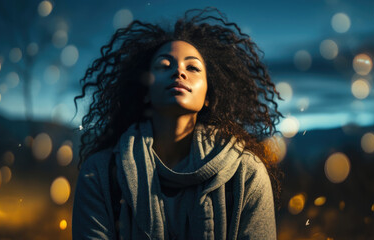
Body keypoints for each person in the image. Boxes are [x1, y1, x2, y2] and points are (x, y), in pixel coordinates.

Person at [72, 8, 283, 240]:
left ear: (209, 96)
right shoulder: (101, 174)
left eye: (192, 67)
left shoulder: (246, 174)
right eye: (164, 65)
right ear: (145, 91)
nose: (179, 71)